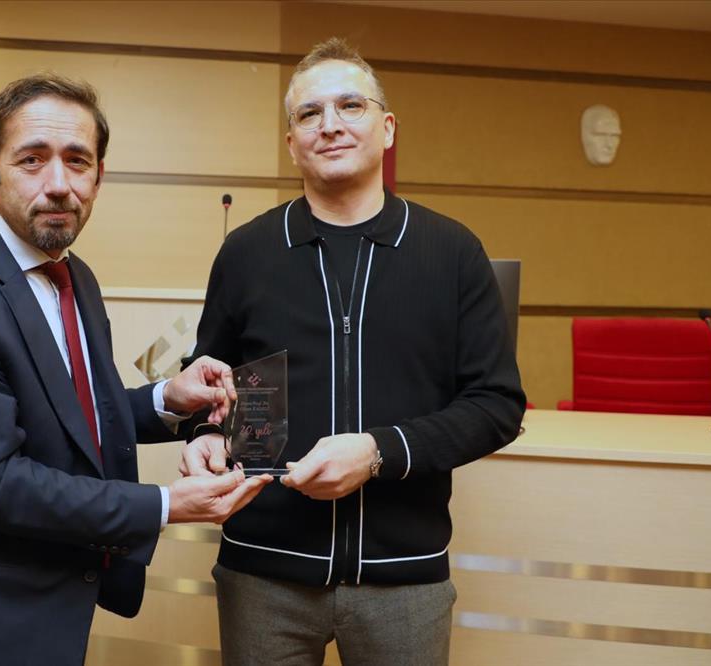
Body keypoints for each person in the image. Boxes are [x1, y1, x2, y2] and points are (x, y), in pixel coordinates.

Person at [0, 75, 270, 666]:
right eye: (32, 160)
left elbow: (69, 412)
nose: (59, 184)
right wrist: (165, 504)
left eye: (77, 161)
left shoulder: (72, 274)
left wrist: (168, 396)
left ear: (98, 178)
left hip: (57, 596)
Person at [180, 38, 526, 665]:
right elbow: (210, 378)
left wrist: (377, 452)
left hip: (406, 576)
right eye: (309, 113)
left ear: (386, 128)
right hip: (262, 571)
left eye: (350, 106)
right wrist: (204, 432)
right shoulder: (247, 252)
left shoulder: (452, 253)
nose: (330, 124)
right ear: (292, 143)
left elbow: (496, 405)